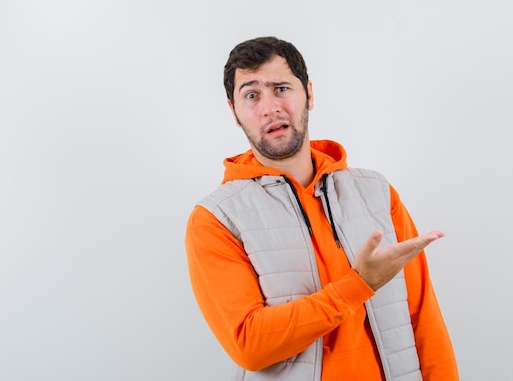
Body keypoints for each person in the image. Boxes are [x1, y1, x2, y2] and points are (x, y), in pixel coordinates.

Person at [184, 36, 458, 381]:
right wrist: (358, 285)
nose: (270, 107)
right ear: (234, 112)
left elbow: (423, 319)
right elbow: (249, 346)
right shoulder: (216, 220)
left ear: (309, 95)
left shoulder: (376, 192)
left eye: (281, 88)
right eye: (251, 95)